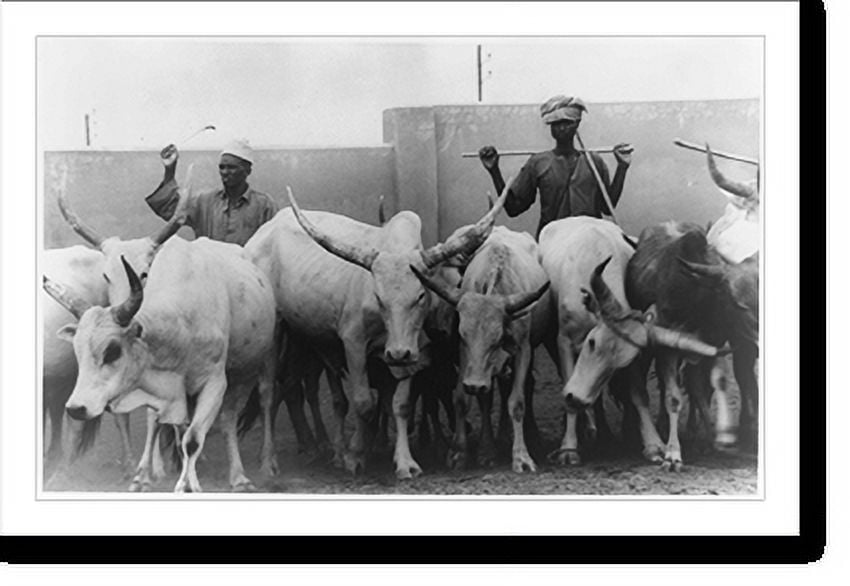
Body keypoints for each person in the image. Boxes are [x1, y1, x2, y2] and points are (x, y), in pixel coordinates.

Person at [478, 95, 633, 238]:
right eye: (556, 124)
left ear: (577, 124)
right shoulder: (538, 163)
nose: (562, 128)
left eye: (567, 123)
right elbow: (513, 208)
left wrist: (622, 167)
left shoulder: (594, 161)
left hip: (590, 239)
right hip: (551, 242)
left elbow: (607, 206)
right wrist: (494, 170)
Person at [146, 138, 278, 246]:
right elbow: (172, 210)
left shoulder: (264, 205)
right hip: (208, 274)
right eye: (222, 167)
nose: (225, 172)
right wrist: (170, 170)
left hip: (246, 276)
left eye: (231, 167)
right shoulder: (205, 202)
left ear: (247, 170)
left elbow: (275, 244)